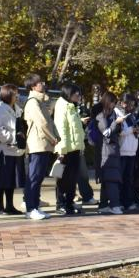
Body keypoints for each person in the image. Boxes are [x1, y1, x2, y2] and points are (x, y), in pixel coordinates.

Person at [23, 74, 60, 220]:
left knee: (38, 178)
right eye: (40, 83)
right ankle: (30, 208)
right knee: (33, 177)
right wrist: (53, 138)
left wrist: (55, 137)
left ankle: (35, 206)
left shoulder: (40, 101)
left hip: (43, 143)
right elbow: (42, 123)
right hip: (37, 144)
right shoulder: (33, 102)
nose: (43, 84)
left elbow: (49, 121)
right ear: (33, 86)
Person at [0, 84, 26, 215]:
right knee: (1, 179)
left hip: (15, 150)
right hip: (4, 150)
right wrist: (12, 138)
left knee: (11, 179)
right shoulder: (2, 109)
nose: (17, 96)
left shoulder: (17, 109)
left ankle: (10, 206)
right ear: (8, 94)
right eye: (15, 93)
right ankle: (0, 207)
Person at [53, 83, 86, 216]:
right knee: (62, 178)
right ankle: (61, 204)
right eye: (76, 93)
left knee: (72, 178)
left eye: (79, 93)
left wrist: (81, 146)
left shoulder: (73, 106)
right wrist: (61, 151)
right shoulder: (62, 106)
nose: (78, 96)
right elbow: (61, 129)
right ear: (68, 94)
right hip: (65, 149)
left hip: (75, 148)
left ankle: (69, 203)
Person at [114, 93, 139, 210]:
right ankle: (119, 202)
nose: (130, 107)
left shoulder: (132, 115)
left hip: (132, 150)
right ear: (122, 103)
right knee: (120, 178)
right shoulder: (117, 113)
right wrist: (131, 130)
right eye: (128, 104)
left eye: (132, 105)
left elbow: (135, 130)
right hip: (122, 151)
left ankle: (128, 202)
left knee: (129, 179)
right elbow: (119, 131)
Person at [97, 91, 124, 214]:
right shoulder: (100, 116)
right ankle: (114, 205)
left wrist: (119, 124)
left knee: (107, 179)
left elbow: (115, 132)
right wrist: (116, 123)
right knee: (112, 178)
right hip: (106, 151)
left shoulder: (111, 114)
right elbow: (106, 132)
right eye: (113, 102)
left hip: (112, 150)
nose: (114, 105)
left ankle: (103, 205)